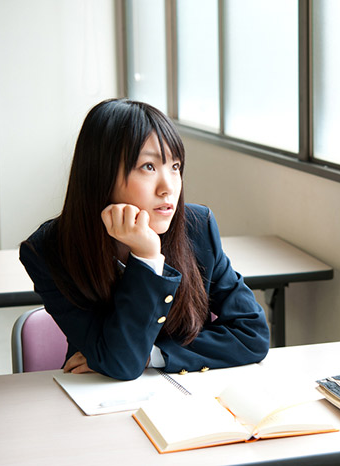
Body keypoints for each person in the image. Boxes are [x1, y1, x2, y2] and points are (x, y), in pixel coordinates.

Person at [20, 98, 270, 380]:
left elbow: (253, 335)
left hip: (187, 396)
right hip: (96, 397)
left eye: (175, 167)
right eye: (148, 167)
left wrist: (153, 356)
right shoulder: (48, 250)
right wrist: (147, 258)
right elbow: (120, 364)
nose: (168, 188)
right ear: (101, 173)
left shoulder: (197, 227)